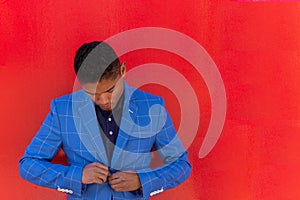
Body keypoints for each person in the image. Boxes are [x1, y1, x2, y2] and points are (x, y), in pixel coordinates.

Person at [19, 41, 191, 200]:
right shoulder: (62, 110)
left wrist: (142, 181)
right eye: (92, 94)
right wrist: (77, 176)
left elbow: (181, 164)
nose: (103, 100)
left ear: (122, 70)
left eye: (110, 90)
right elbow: (28, 165)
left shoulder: (153, 107)